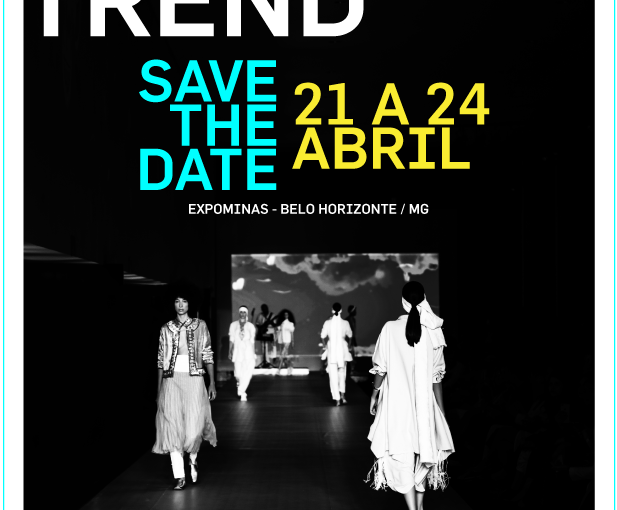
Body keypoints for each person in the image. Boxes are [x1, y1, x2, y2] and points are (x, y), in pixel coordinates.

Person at [367, 281, 454, 510]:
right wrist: (441, 412)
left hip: (398, 404)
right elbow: (437, 377)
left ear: (403, 301)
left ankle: (413, 509)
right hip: (425, 406)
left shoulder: (390, 329)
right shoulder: (433, 330)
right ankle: (419, 507)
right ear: (424, 299)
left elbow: (381, 368)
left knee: (401, 454)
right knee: (422, 453)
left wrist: (375, 394)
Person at [153, 283, 217, 490]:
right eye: (177, 301)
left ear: (190, 303)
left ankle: (193, 457)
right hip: (171, 381)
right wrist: (159, 390)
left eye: (184, 301)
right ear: (172, 303)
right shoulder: (165, 328)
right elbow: (161, 361)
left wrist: (212, 382)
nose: (180, 305)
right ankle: (179, 476)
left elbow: (207, 354)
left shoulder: (200, 326)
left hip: (194, 379)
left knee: (194, 429)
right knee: (172, 428)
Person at [321, 303, 353, 406]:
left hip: (332, 350)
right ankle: (342, 396)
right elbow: (350, 335)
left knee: (333, 375)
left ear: (332, 310)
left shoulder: (327, 323)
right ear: (341, 310)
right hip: (342, 349)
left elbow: (322, 336)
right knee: (342, 374)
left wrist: (325, 346)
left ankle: (337, 398)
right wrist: (349, 346)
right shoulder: (345, 323)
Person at [229, 305, 256, 401]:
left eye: (244, 312)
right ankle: (240, 386)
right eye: (241, 312)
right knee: (238, 373)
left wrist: (253, 353)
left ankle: (242, 391)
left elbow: (252, 341)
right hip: (237, 350)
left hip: (248, 350)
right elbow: (231, 339)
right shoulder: (233, 325)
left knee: (248, 370)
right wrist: (230, 351)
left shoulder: (250, 326)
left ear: (246, 313)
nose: (242, 314)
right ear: (239, 313)